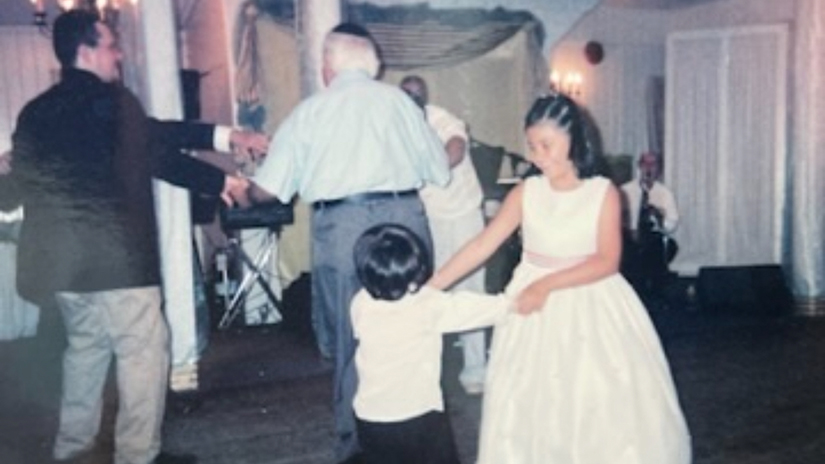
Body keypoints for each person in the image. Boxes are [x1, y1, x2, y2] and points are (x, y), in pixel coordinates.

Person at [0, 10, 267, 464]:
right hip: (119, 264)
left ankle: (73, 450)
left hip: (66, 269)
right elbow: (159, 153)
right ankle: (137, 456)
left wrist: (225, 137)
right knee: (142, 356)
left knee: (85, 352)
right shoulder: (114, 103)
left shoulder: (34, 115)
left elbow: (11, 197)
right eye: (110, 44)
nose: (118, 54)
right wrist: (221, 181)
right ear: (86, 51)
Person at [429, 93, 692, 463]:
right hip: (531, 310)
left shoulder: (603, 192)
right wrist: (431, 287)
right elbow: (481, 246)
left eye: (547, 145)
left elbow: (606, 261)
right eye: (532, 146)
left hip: (590, 298)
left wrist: (545, 285)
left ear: (575, 139)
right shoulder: (526, 192)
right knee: (534, 405)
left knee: (593, 402)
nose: (538, 156)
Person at [248, 23, 450, 463]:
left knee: (349, 336)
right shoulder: (400, 103)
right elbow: (440, 170)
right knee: (414, 327)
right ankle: (423, 435)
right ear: (372, 64)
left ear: (327, 68)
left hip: (342, 228)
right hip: (405, 225)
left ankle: (356, 447)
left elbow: (268, 191)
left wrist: (244, 185)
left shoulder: (310, 112)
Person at [350, 223, 509, 464]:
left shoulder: (360, 303)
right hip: (419, 415)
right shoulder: (428, 305)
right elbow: (482, 310)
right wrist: (514, 302)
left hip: (370, 417)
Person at [398, 75, 489, 395]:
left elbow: (456, 150)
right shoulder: (396, 126)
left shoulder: (442, 118)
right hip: (430, 219)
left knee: (470, 290)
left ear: (424, 100)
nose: (411, 101)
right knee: (428, 292)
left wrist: (429, 164)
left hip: (464, 214)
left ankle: (476, 370)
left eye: (416, 96)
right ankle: (427, 372)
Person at [620, 151, 680, 303]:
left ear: (658, 169)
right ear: (639, 166)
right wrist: (629, 228)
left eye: (653, 164)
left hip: (651, 239)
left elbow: (672, 224)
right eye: (645, 164)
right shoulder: (626, 190)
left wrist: (660, 218)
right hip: (630, 238)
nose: (649, 168)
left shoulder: (664, 193)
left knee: (660, 249)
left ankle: (654, 296)